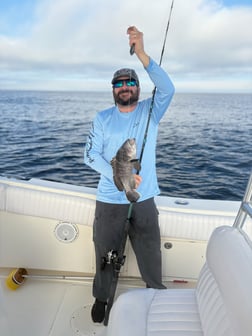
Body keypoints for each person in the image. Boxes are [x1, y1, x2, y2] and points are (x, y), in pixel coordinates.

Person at [84, 26, 175, 323]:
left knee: (150, 252)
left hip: (144, 197)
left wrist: (142, 53)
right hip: (110, 199)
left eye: (130, 82)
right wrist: (118, 174)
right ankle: (102, 297)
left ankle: (155, 293)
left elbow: (168, 88)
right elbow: (89, 155)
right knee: (106, 253)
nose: (125, 86)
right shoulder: (102, 118)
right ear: (113, 89)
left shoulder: (150, 111)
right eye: (119, 83)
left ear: (137, 86)